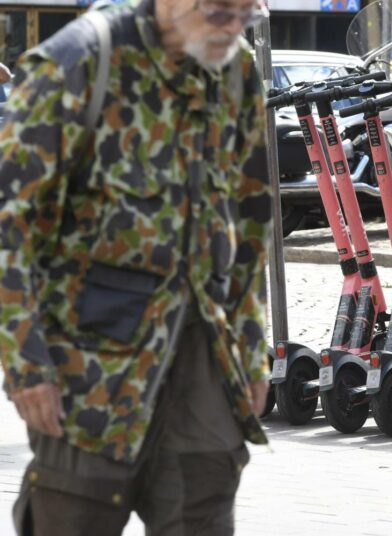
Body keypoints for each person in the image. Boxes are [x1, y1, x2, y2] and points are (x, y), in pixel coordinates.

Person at [0, 0, 272, 534]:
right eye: (222, 12)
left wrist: (252, 351)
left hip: (200, 353)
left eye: (248, 15)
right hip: (88, 363)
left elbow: (251, 219)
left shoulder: (236, 71)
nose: (235, 29)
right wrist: (26, 366)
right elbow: (12, 230)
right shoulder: (76, 64)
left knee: (204, 509)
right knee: (76, 513)